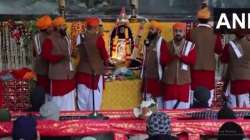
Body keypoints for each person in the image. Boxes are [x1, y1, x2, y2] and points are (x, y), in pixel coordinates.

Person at [189, 5, 223, 107]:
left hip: (194, 68)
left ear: (198, 19)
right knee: (208, 95)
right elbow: (219, 50)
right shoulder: (214, 34)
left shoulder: (191, 33)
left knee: (193, 95)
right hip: (209, 70)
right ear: (209, 19)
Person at [42, 16, 76, 111]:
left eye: (65, 25)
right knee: (58, 101)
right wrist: (61, 56)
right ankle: (57, 122)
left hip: (69, 74)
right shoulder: (49, 40)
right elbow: (46, 56)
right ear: (56, 27)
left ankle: (69, 121)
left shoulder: (66, 38)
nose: (65, 27)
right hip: (57, 75)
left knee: (69, 100)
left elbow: (70, 53)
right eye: (62, 25)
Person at [76, 17, 109, 111]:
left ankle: (82, 117)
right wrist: (106, 64)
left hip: (82, 70)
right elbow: (104, 55)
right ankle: (93, 117)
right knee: (95, 96)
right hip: (96, 71)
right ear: (95, 27)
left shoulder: (80, 36)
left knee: (82, 96)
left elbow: (78, 52)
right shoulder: (99, 39)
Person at [163, 23, 196, 109]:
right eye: (176, 31)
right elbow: (162, 60)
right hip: (170, 83)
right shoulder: (167, 45)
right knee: (168, 109)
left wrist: (180, 56)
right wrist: (173, 55)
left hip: (183, 82)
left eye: (180, 31)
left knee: (183, 111)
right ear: (173, 32)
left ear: (184, 33)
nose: (178, 33)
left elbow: (192, 60)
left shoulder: (190, 45)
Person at [141, 20, 169, 109]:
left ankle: (159, 116)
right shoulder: (147, 42)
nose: (150, 31)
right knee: (146, 100)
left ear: (158, 31)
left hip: (157, 77)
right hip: (147, 76)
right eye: (150, 29)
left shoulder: (162, 42)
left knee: (158, 100)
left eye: (152, 29)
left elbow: (165, 60)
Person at [221, 31, 250, 108]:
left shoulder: (229, 46)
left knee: (233, 105)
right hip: (247, 78)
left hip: (233, 78)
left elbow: (224, 60)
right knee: (245, 105)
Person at [33, 15, 53, 101]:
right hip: (45, 69)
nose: (52, 27)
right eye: (50, 26)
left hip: (47, 69)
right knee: (47, 93)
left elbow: (38, 53)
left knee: (45, 93)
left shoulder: (38, 36)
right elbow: (39, 53)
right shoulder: (38, 36)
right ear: (47, 27)